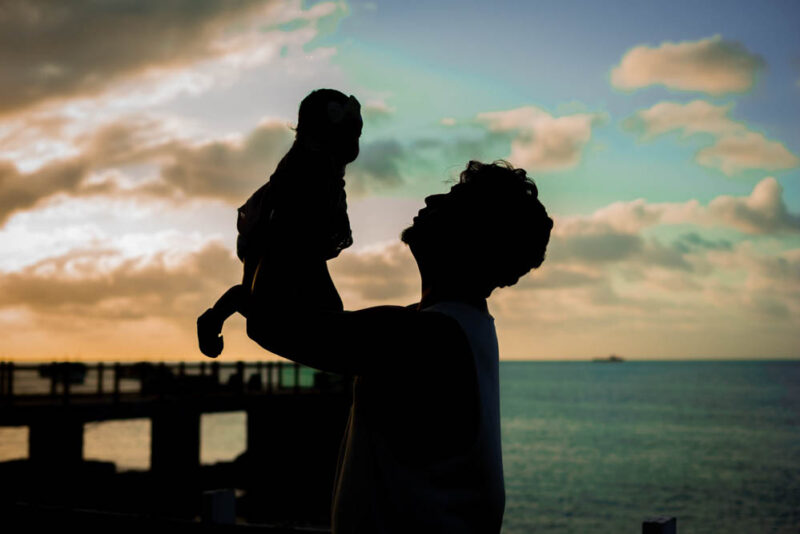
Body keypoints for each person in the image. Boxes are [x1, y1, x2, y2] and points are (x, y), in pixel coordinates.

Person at [241, 159, 553, 533]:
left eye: (451, 199)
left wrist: (284, 215)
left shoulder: (428, 339)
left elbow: (278, 326)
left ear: (470, 235)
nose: (430, 196)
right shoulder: (447, 328)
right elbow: (315, 317)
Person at [197, 89, 362, 358]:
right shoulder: (306, 166)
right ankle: (213, 319)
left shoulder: (325, 168)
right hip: (286, 241)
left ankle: (214, 318)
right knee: (275, 306)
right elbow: (278, 219)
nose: (355, 143)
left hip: (300, 245)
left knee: (306, 309)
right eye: (349, 133)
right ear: (322, 133)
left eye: (357, 134)